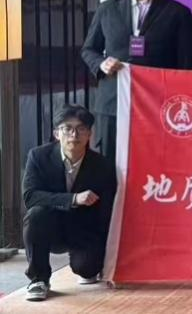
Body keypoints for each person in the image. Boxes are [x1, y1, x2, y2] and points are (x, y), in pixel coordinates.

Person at [81, 0, 192, 162]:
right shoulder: (107, 9)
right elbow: (89, 49)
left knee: (156, 164)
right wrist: (101, 64)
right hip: (113, 104)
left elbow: (188, 66)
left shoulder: (178, 14)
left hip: (158, 105)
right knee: (111, 165)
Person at [22, 105, 117, 302]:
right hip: (50, 225)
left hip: (84, 228)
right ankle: (38, 279)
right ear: (57, 133)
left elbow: (107, 211)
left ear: (89, 134)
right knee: (35, 215)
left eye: (81, 129)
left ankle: (89, 264)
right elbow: (31, 196)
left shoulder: (103, 165)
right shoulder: (38, 157)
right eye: (67, 128)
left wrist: (107, 256)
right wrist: (73, 199)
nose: (74, 135)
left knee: (87, 268)